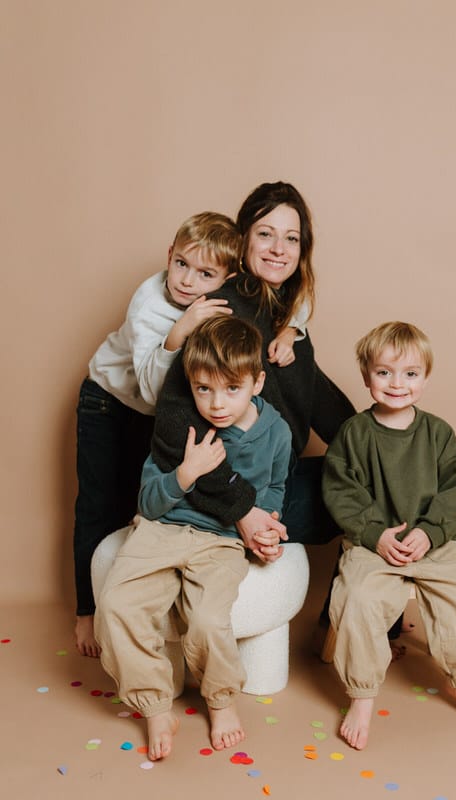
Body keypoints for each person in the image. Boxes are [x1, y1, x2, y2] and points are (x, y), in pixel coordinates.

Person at [94, 315, 292, 761]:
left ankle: (220, 700)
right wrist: (184, 475)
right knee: (116, 605)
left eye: (231, 389)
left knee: (206, 618)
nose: (216, 403)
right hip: (161, 529)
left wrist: (269, 525)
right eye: (203, 389)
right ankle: (154, 704)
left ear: (257, 383)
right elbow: (148, 502)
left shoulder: (276, 433)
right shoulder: (184, 426)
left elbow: (276, 488)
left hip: (221, 539)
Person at [322, 321, 456, 750]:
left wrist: (430, 531)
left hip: (433, 542)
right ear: (366, 377)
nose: (396, 384)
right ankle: (362, 694)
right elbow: (341, 491)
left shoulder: (437, 434)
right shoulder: (355, 434)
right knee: (358, 600)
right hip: (373, 544)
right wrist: (374, 533)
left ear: (425, 378)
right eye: (383, 372)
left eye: (409, 374)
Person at [151, 182, 356, 557]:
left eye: (291, 238)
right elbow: (172, 422)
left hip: (272, 481)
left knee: (377, 473)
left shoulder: (284, 317)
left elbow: (317, 397)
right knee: (369, 490)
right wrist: (242, 508)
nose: (279, 249)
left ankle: (361, 607)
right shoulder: (224, 309)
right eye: (266, 234)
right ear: (243, 240)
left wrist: (382, 450)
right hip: (226, 490)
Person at [73, 212, 241, 657]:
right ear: (170, 254)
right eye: (181, 264)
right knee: (98, 505)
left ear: (226, 277)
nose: (187, 281)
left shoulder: (220, 294)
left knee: (144, 501)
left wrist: (291, 328)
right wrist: (179, 331)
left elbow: (278, 293)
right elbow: (150, 390)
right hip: (108, 402)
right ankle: (86, 612)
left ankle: (144, 609)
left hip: (151, 413)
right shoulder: (149, 304)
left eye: (205, 274)